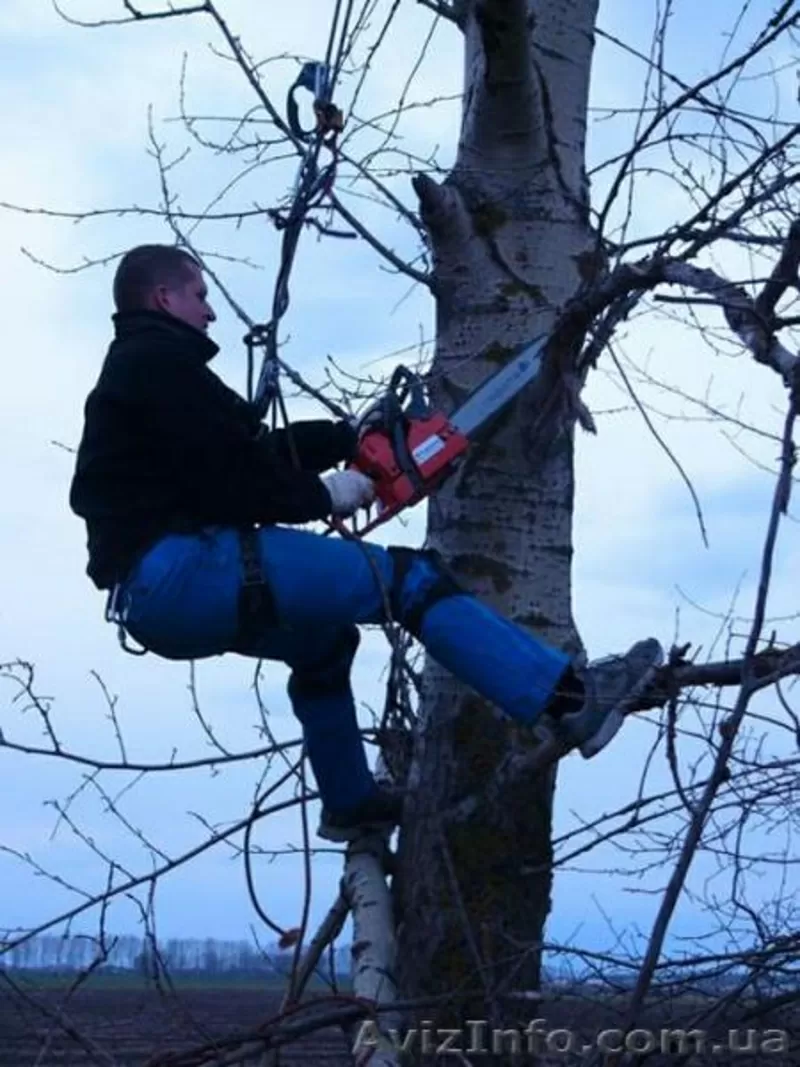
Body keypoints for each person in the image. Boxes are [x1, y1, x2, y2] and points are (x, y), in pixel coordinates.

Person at [69, 244, 664, 842]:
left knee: (324, 645)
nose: (210, 313)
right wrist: (325, 496)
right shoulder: (156, 365)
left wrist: (346, 437)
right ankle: (570, 700)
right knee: (412, 580)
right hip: (184, 570)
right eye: (200, 296)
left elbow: (246, 458)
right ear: (163, 297)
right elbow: (233, 484)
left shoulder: (149, 374)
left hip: (152, 602)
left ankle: (351, 804)